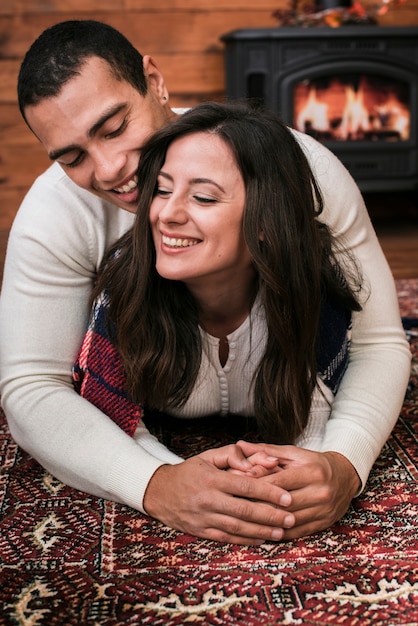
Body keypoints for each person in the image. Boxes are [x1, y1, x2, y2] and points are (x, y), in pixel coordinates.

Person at [0, 21, 410, 545]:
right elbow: (31, 386)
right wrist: (156, 483)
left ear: (155, 81)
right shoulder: (54, 214)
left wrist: (344, 460)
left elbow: (377, 340)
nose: (109, 170)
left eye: (114, 127)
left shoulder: (303, 172)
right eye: (73, 157)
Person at [72, 100, 410, 540]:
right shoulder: (123, 291)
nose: (166, 214)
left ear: (266, 221)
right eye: (161, 189)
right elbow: (110, 422)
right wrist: (173, 478)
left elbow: (328, 414)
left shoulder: (318, 288)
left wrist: (325, 466)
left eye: (204, 197)